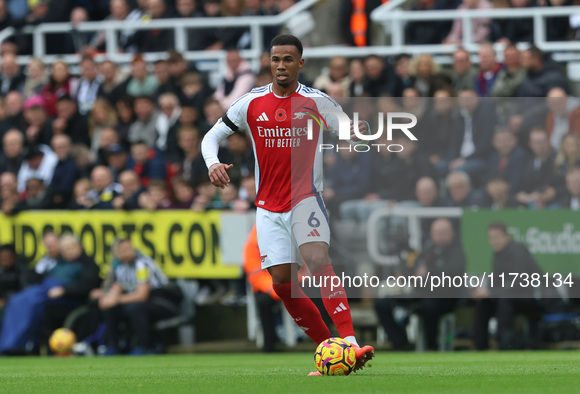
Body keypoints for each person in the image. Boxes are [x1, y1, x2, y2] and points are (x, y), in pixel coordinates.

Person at [201, 34, 374, 375]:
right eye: (276, 59)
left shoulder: (317, 101)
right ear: (270, 62)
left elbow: (349, 130)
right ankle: (330, 351)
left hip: (306, 200)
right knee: (282, 284)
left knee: (319, 261)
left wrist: (355, 134)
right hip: (267, 207)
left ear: (301, 64)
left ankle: (351, 343)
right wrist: (212, 162)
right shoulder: (250, 103)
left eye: (288, 60)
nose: (281, 65)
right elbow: (212, 137)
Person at [374, 218, 465, 351]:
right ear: (432, 234)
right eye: (437, 232)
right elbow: (414, 271)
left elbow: (452, 273)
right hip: (420, 294)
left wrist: (428, 273)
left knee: (429, 306)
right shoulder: (427, 251)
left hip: (445, 297)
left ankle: (431, 347)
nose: (440, 236)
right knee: (382, 304)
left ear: (452, 233)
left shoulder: (458, 252)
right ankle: (402, 344)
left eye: (444, 232)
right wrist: (405, 274)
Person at [472, 222, 544, 350]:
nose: (494, 241)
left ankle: (504, 345)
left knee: (505, 300)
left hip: (529, 298)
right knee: (483, 303)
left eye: (497, 237)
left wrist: (491, 293)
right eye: (491, 238)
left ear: (507, 236)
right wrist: (484, 292)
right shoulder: (497, 255)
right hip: (506, 296)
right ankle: (480, 347)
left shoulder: (518, 250)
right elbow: (495, 282)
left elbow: (519, 282)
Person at [98, 238, 178, 355]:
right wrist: (107, 299)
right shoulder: (121, 267)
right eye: (122, 250)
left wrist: (117, 299)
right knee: (111, 308)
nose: (126, 252)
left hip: (163, 301)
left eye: (128, 249)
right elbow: (117, 288)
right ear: (117, 253)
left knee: (136, 308)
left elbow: (142, 295)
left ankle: (143, 347)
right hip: (144, 303)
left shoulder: (142, 264)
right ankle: (114, 346)